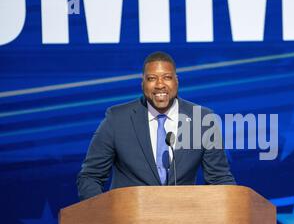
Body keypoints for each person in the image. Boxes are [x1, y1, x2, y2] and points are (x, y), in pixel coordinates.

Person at [77, 51, 235, 200]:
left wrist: (233, 209)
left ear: (176, 81)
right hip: (128, 221)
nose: (160, 85)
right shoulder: (117, 119)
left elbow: (219, 178)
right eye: (152, 78)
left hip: (183, 221)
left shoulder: (202, 120)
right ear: (142, 83)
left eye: (167, 77)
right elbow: (90, 177)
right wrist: (104, 214)